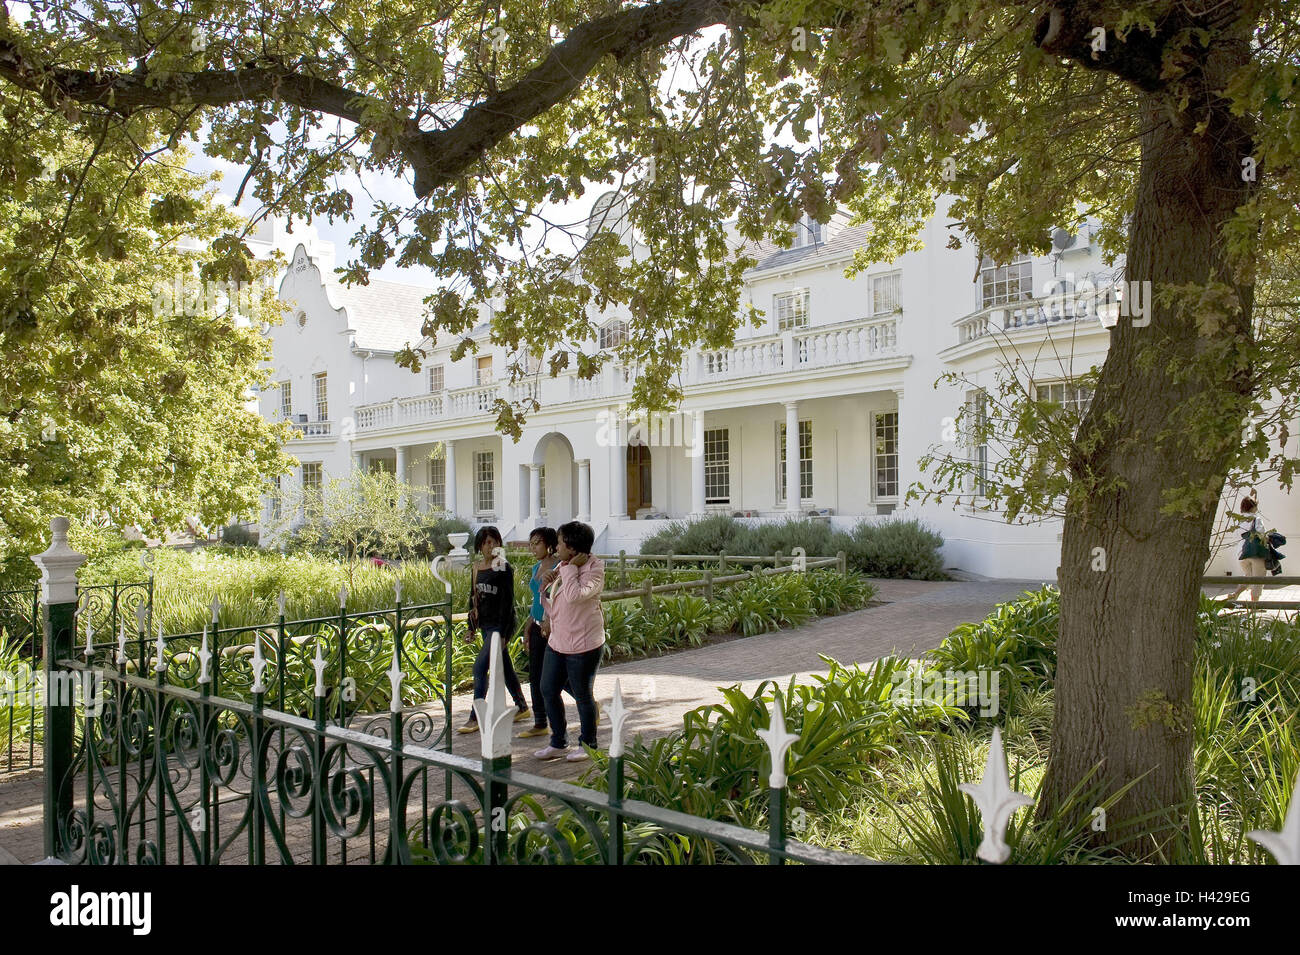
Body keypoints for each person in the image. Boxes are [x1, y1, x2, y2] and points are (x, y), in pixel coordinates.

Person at [534, 521, 605, 763]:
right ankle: (558, 742)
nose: (556, 547)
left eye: (560, 542)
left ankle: (588, 744)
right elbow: (553, 601)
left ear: (572, 548)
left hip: (584, 645)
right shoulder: (563, 566)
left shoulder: (595, 570)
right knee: (548, 689)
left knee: (583, 696)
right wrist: (546, 584)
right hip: (558, 641)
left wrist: (568, 571)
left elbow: (575, 597)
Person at [457, 526, 530, 733]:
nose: (492, 546)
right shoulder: (477, 567)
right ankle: (521, 706)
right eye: (487, 542)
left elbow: (508, 602)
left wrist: (505, 633)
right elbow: (473, 599)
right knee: (505, 666)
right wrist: (470, 628)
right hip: (485, 625)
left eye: (495, 542)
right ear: (480, 545)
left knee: (480, 668)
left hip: (499, 626)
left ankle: (475, 716)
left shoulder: (503, 567)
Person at [518, 527, 560, 739]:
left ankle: (587, 702)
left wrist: (547, 621)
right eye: (531, 543)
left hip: (552, 626)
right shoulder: (536, 566)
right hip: (535, 625)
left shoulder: (558, 567)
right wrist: (528, 627)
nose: (533, 548)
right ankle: (540, 721)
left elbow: (556, 599)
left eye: (537, 543)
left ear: (549, 544)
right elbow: (536, 600)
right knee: (535, 675)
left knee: (555, 676)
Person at [1224, 497, 1271, 604]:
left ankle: (1235, 594)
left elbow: (1236, 535)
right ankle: (1254, 605)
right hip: (1255, 553)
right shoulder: (1256, 519)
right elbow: (1261, 534)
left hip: (1242, 553)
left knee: (1249, 576)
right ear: (1253, 507)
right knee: (1258, 579)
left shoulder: (1239, 519)